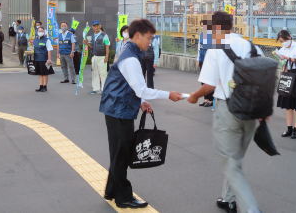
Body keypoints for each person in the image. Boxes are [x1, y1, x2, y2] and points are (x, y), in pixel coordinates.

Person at [100, 18, 184, 208]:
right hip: (119, 111)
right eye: (149, 37)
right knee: (122, 154)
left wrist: (142, 102)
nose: (150, 42)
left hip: (116, 108)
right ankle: (124, 198)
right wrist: (168, 95)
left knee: (119, 153)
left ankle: (111, 190)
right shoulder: (130, 58)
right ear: (137, 35)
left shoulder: (129, 51)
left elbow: (130, 87)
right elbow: (141, 89)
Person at [187, 11, 264, 213]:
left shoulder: (216, 50)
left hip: (227, 110)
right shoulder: (254, 48)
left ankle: (251, 208)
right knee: (235, 158)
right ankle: (228, 199)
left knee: (230, 163)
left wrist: (194, 96)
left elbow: (209, 86)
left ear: (217, 28)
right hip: (251, 110)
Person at [82, 20, 110, 94]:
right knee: (94, 73)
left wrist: (107, 56)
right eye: (94, 26)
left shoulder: (104, 35)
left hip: (102, 57)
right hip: (94, 56)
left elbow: (107, 46)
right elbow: (92, 46)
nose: (96, 27)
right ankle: (96, 89)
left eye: (97, 25)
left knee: (103, 73)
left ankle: (104, 89)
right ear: (92, 27)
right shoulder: (93, 36)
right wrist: (86, 43)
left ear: (100, 26)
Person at [196, 19, 214, 107]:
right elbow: (199, 47)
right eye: (202, 26)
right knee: (203, 80)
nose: (203, 27)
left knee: (209, 81)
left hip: (209, 61)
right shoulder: (202, 34)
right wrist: (198, 60)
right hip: (202, 59)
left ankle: (211, 100)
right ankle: (206, 99)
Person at [34, 26, 54, 92]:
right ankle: (41, 86)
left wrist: (49, 59)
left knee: (45, 73)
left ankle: (45, 86)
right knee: (39, 73)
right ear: (37, 32)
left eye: (41, 31)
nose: (40, 32)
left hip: (44, 59)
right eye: (39, 31)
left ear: (44, 32)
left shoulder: (47, 40)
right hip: (37, 59)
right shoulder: (35, 40)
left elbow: (49, 50)